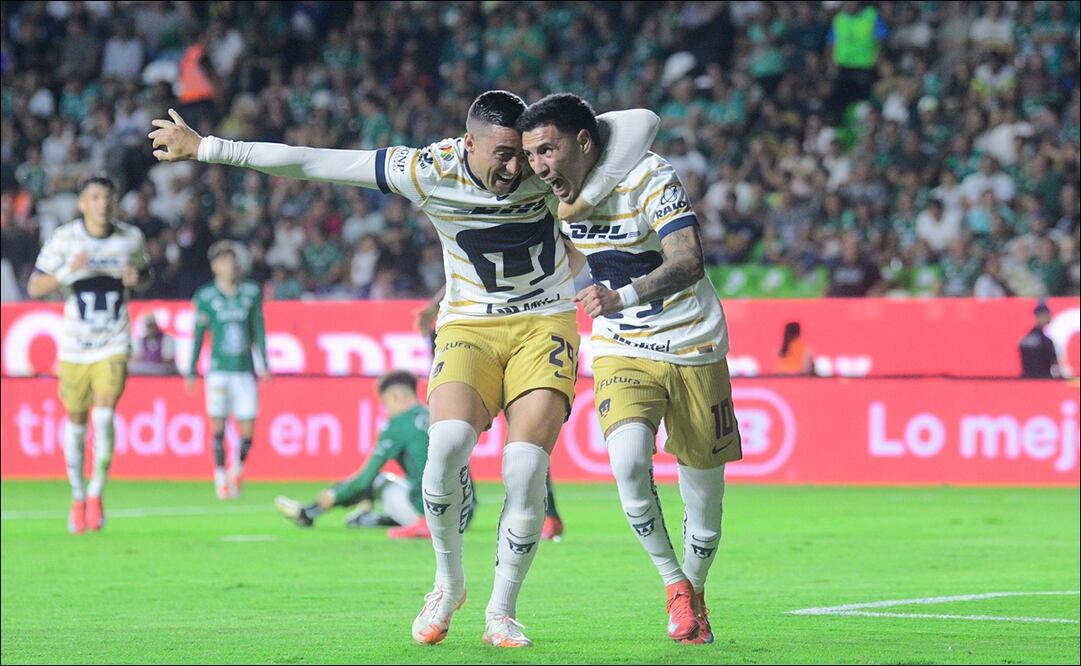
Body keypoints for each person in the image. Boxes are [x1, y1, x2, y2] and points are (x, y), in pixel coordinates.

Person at [149, 93, 658, 648]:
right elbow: (313, 160)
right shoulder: (425, 169)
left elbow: (643, 122)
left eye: (524, 155)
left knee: (523, 470)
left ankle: (502, 611)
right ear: (468, 143)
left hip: (545, 323)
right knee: (445, 447)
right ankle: (447, 582)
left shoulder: (543, 162)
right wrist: (207, 148)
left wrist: (566, 154)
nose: (517, 169)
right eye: (503, 155)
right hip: (469, 326)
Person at [519, 94, 743, 645]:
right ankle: (672, 584)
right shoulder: (554, 196)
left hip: (693, 346)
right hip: (623, 349)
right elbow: (572, 258)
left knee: (705, 506)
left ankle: (695, 587)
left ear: (584, 142)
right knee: (627, 464)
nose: (539, 166)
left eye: (547, 149)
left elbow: (689, 260)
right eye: (530, 155)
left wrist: (623, 295)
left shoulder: (651, 177)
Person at [26, 175, 150, 534]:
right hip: (74, 346)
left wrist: (136, 279)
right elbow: (35, 286)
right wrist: (70, 269)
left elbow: (145, 274)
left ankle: (97, 492)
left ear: (115, 202)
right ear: (82, 203)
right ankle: (77, 496)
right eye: (94, 197)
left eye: (108, 197)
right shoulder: (65, 239)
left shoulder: (131, 238)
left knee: (105, 415)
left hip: (114, 341)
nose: (102, 203)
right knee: (77, 423)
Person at [415, 286, 565, 542]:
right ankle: (447, 511)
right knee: (453, 436)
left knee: (525, 439)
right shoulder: (455, 303)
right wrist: (433, 306)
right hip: (472, 332)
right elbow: (462, 269)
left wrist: (432, 305)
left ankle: (547, 515)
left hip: (518, 327)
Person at [274, 370, 476, 537]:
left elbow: (364, 480)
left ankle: (310, 512)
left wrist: (334, 494)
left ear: (396, 397)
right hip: (465, 512)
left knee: (380, 481)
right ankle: (373, 518)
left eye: (385, 404)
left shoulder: (398, 424)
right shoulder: (436, 415)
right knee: (409, 481)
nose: (385, 411)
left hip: (434, 515)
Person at [186, 241, 270, 499]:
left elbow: (258, 330)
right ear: (214, 267)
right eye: (224, 261)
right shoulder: (206, 296)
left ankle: (238, 469)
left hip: (245, 371)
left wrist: (264, 363)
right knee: (218, 427)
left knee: (247, 430)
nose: (230, 266)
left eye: (232, 261)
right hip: (219, 371)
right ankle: (220, 476)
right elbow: (199, 335)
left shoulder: (251, 293)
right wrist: (191, 370)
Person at [1019, 301, 1060, 378]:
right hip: (1042, 380)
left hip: (1027, 379)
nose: (1049, 317)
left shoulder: (1025, 339)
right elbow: (1054, 364)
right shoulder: (1046, 341)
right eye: (1047, 315)